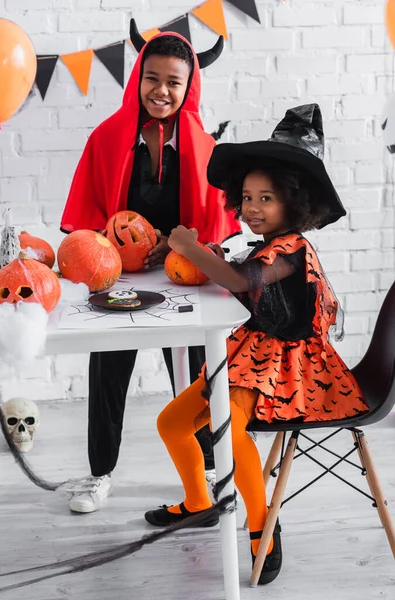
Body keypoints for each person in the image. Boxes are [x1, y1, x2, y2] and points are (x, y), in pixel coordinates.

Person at [144, 104, 369, 585]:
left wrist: (190, 248)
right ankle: (200, 503)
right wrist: (211, 258)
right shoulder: (266, 245)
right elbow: (242, 277)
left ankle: (263, 522)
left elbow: (245, 283)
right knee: (172, 423)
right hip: (250, 352)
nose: (251, 208)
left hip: (284, 362)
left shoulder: (291, 248)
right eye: (246, 196)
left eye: (266, 198)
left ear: (294, 203)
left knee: (233, 431)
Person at [60, 20, 241, 513]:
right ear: (138, 78)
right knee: (108, 366)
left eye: (174, 82)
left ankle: (205, 470)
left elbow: (215, 225)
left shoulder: (204, 149)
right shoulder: (107, 138)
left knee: (196, 372)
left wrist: (181, 245)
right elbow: (88, 217)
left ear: (189, 87)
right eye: (152, 78)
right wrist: (116, 244)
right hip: (118, 275)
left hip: (184, 276)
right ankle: (100, 474)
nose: (161, 91)